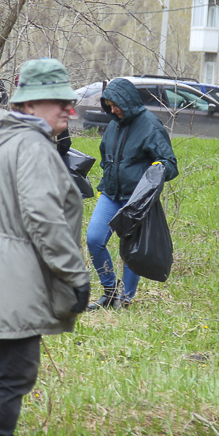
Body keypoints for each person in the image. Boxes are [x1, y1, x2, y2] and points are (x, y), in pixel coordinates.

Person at [0, 58, 91, 436]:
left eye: (70, 103)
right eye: (58, 103)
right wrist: (75, 274)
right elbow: (43, 217)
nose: (68, 111)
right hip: (11, 275)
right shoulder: (31, 146)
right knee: (15, 371)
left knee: (6, 368)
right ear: (30, 106)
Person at [89, 77, 178, 308]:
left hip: (135, 200)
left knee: (131, 250)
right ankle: (110, 290)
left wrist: (153, 175)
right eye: (108, 106)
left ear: (126, 100)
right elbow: (106, 158)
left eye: (115, 104)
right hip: (110, 194)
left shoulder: (150, 125)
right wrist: (105, 185)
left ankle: (125, 299)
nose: (112, 109)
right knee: (94, 239)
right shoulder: (113, 124)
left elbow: (169, 163)